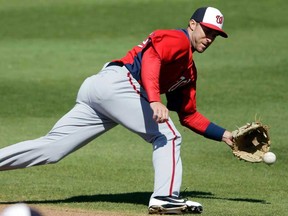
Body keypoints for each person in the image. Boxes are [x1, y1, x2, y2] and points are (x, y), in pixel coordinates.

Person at [0, 6, 233, 214]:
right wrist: (154, 100)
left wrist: (225, 136)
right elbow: (151, 58)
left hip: (102, 89)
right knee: (167, 136)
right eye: (207, 30)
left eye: (215, 35)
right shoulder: (178, 39)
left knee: (52, 148)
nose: (210, 38)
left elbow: (189, 115)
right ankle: (165, 198)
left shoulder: (188, 71)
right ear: (192, 24)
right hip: (119, 84)